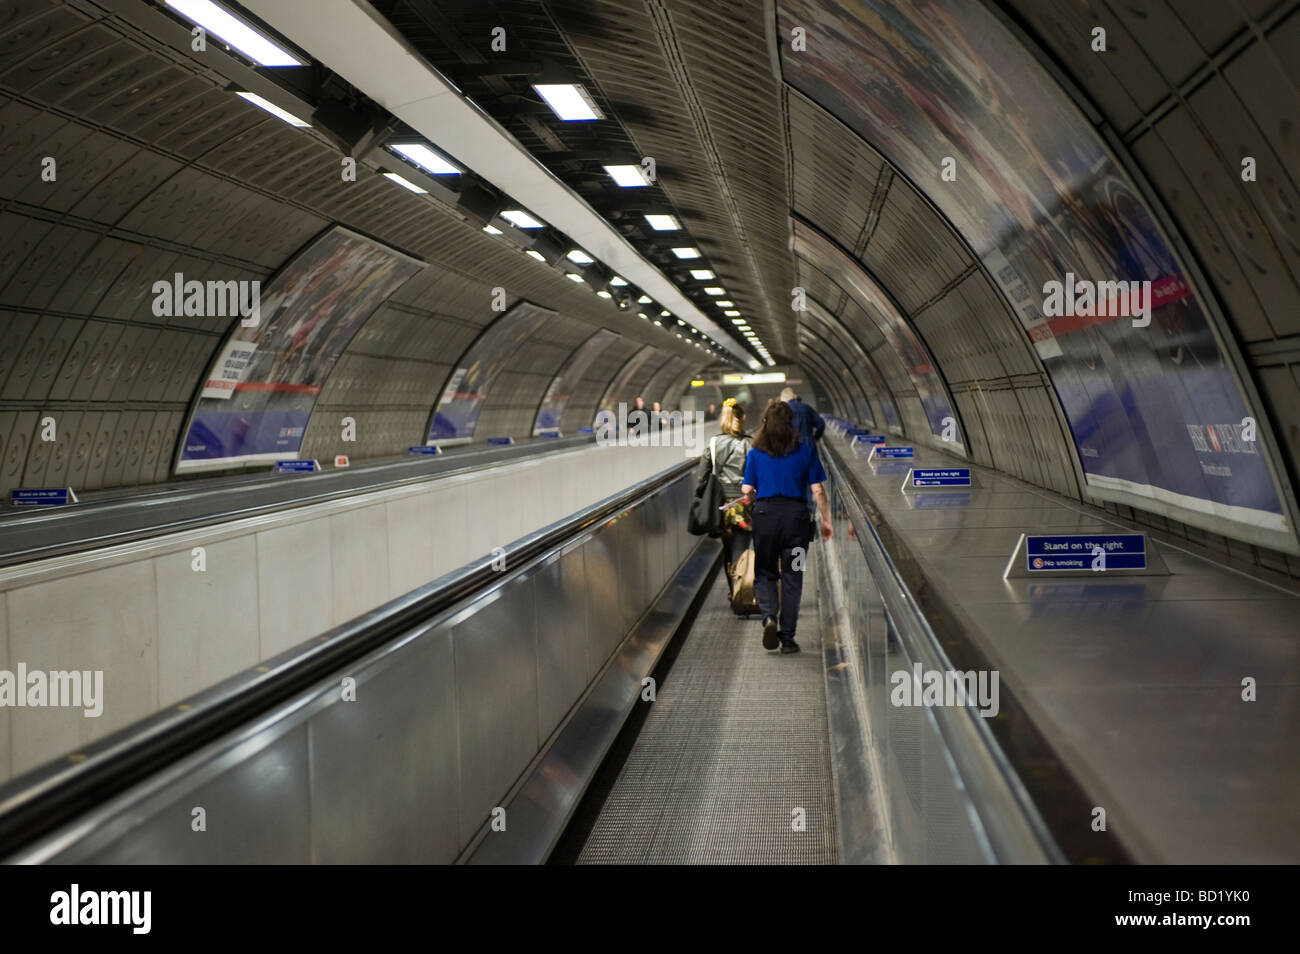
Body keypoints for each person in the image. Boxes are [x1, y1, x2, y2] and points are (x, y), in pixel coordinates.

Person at [742, 400, 833, 655]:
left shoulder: (755, 453)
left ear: (766, 424)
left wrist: (749, 495)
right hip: (797, 521)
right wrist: (826, 520)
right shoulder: (805, 451)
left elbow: (747, 490)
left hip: (765, 518)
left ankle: (769, 616)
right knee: (793, 577)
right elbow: (818, 490)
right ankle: (788, 638)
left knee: (765, 572)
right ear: (792, 424)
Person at [695, 398, 752, 577]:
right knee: (741, 548)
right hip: (744, 503)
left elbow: (702, 477)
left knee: (728, 548)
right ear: (742, 418)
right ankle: (740, 591)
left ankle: (734, 591)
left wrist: (702, 495)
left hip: (720, 506)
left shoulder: (713, 443)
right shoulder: (748, 443)